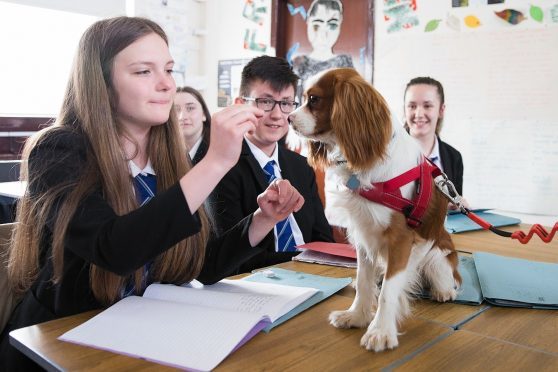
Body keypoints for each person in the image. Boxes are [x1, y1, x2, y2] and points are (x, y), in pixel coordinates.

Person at [0, 17, 305, 369]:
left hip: (143, 337)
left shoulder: (167, 157)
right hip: (61, 343)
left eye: (170, 70)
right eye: (144, 71)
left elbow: (197, 265)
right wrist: (216, 161)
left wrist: (262, 219)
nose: (166, 85)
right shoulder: (58, 150)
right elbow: (114, 248)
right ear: (100, 82)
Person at [212, 55, 334, 273]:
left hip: (311, 279)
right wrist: (299, 263)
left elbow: (322, 239)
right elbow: (228, 258)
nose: (278, 115)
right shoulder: (223, 166)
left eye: (286, 103)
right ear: (241, 104)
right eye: (266, 102)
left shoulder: (301, 166)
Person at [403, 76, 464, 196]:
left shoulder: (454, 157)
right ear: (404, 109)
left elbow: (455, 206)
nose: (419, 114)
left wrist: (457, 207)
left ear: (441, 110)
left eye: (427, 106)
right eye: (412, 106)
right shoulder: (386, 154)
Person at [291, 0, 353, 104]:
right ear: (308, 22)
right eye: (316, 25)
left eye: (332, 25)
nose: (323, 34)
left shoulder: (344, 63)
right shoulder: (299, 64)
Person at [174, 86, 211, 164]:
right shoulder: (163, 150)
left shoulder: (220, 149)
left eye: (190, 108)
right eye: (176, 110)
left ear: (204, 114)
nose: (182, 117)